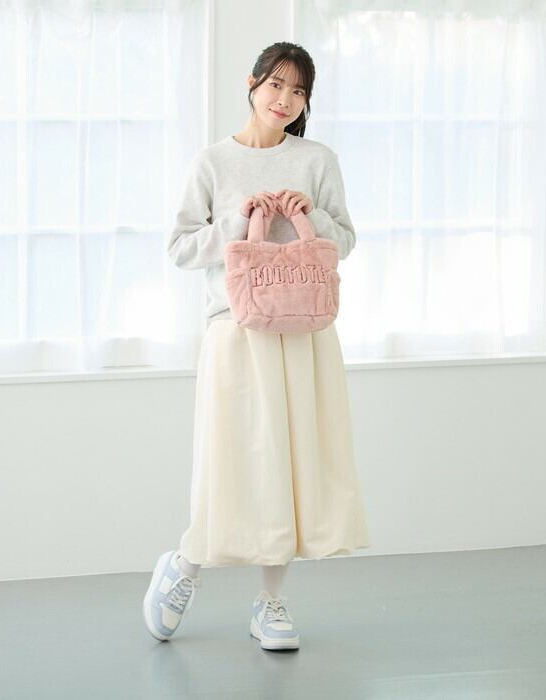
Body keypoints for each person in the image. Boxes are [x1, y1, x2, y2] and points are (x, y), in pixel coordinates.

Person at [143, 42, 370, 651]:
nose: (285, 100)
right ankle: (186, 565)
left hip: (304, 329)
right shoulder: (213, 162)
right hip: (236, 329)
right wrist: (237, 223)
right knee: (232, 463)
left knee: (289, 468)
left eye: (298, 92)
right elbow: (180, 247)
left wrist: (313, 215)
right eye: (276, 85)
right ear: (252, 83)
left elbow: (346, 240)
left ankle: (270, 601)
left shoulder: (317, 160)